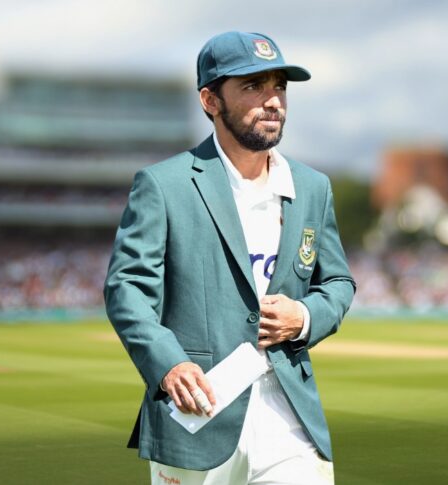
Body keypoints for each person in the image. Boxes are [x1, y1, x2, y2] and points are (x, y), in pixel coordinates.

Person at [103, 31, 355, 485]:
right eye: (253, 86)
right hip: (197, 412)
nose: (273, 101)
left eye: (279, 86)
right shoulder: (164, 185)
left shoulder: (313, 187)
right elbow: (128, 289)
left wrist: (303, 316)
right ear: (210, 100)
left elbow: (337, 283)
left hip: (290, 418)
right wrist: (169, 364)